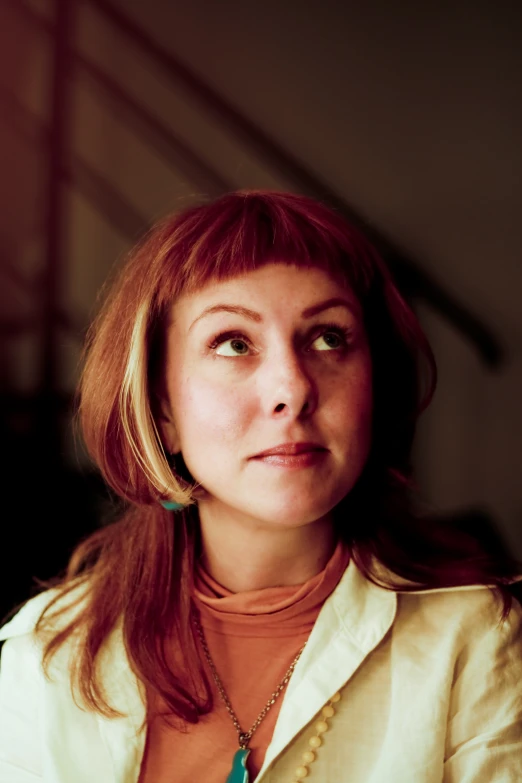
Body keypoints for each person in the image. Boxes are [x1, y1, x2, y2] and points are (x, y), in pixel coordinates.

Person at [0, 190, 521, 783]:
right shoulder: (44, 653)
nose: (293, 389)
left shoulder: (474, 636)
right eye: (233, 343)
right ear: (161, 407)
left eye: (329, 337)